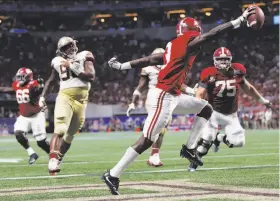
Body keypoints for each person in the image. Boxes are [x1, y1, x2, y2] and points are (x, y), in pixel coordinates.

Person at [102, 7, 257, 195]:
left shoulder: (173, 45)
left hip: (174, 95)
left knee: (205, 108)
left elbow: (151, 59)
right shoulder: (188, 41)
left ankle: (190, 148)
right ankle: (113, 174)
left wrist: (123, 65)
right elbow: (211, 35)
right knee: (147, 140)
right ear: (192, 33)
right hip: (164, 96)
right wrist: (238, 21)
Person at [188, 47, 272, 172]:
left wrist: (263, 101)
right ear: (214, 60)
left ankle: (219, 138)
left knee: (239, 142)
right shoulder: (209, 73)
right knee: (206, 141)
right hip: (213, 113)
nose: (222, 62)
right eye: (220, 59)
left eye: (225, 59)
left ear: (230, 60)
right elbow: (200, 93)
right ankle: (193, 164)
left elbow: (248, 88)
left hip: (231, 114)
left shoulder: (237, 71)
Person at [127, 48, 196, 167]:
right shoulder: (148, 68)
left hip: (168, 98)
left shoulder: (171, 67)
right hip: (153, 98)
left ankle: (151, 154)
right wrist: (133, 102)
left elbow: (177, 84)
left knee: (160, 129)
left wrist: (190, 90)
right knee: (160, 127)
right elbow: (140, 87)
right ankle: (153, 155)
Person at [40, 36, 95, 175]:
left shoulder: (85, 55)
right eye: (65, 48)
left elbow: (91, 75)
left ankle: (59, 158)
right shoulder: (57, 61)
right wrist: (42, 97)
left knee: (70, 134)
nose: (69, 49)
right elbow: (51, 81)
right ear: (61, 51)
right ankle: (52, 159)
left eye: (70, 45)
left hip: (82, 99)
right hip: (66, 96)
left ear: (74, 45)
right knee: (60, 128)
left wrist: (73, 66)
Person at [0, 68, 49, 164]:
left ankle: (53, 155)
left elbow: (37, 92)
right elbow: (7, 89)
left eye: (22, 76)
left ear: (28, 77)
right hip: (24, 117)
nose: (19, 79)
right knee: (18, 134)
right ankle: (32, 153)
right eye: (18, 77)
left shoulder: (33, 84)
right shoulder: (16, 85)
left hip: (36, 116)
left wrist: (41, 86)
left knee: (41, 143)